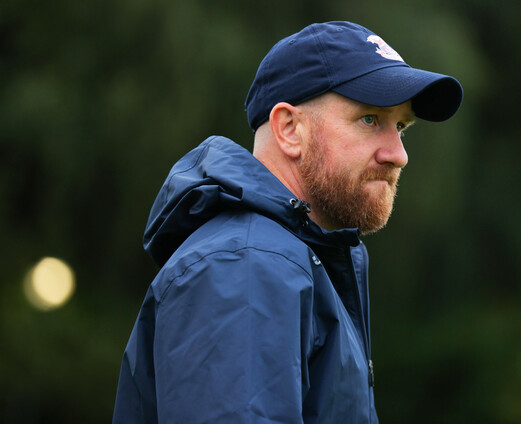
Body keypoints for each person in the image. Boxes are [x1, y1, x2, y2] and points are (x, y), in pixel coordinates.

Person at [112, 21, 462, 423]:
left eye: (400, 127)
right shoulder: (244, 266)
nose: (398, 154)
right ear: (290, 129)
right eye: (370, 119)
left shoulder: (289, 261)